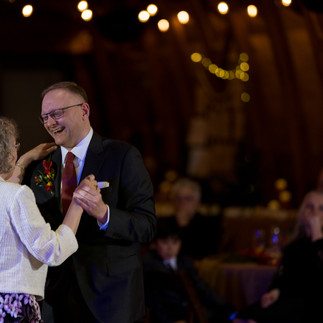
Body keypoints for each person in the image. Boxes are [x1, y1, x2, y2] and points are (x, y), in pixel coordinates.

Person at [22, 81, 156, 323]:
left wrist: (104, 213)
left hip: (110, 299)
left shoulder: (122, 156)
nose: (50, 123)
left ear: (84, 110)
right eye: (45, 117)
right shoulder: (40, 164)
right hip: (55, 296)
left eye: (56, 114)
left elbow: (147, 226)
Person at [0, 116, 98, 322]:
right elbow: (51, 251)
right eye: (16, 146)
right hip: (11, 304)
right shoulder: (16, 195)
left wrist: (24, 160)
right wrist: (78, 203)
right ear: (8, 152)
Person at [233, 190, 323, 323]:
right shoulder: (295, 245)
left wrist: (317, 234)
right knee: (241, 317)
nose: (314, 212)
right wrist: (274, 293)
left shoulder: (320, 245)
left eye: (321, 208)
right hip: (290, 302)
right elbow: (284, 278)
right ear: (302, 212)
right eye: (310, 206)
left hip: (313, 305)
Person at [143, 220, 235, 323]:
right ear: (154, 244)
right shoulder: (149, 263)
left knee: (219, 315)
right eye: (165, 242)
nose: (170, 247)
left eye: (175, 242)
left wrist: (228, 310)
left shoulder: (185, 262)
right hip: (167, 314)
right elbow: (153, 300)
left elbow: (202, 288)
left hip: (190, 309)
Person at [162, 178, 221, 259]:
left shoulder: (209, 225)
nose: (182, 202)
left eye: (187, 198)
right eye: (178, 198)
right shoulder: (163, 224)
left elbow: (206, 253)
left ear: (197, 202)